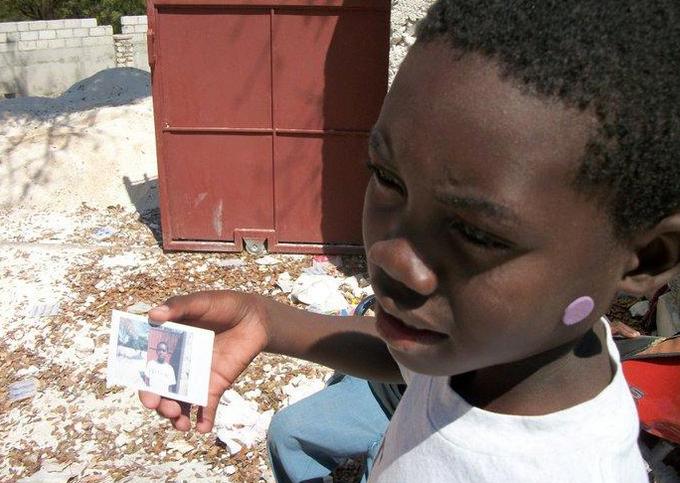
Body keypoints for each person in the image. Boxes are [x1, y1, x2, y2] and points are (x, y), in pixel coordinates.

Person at [140, 0, 680, 481]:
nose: (391, 257)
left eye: (474, 232)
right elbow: (412, 369)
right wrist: (267, 320)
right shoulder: (515, 344)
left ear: (646, 259)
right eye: (388, 179)